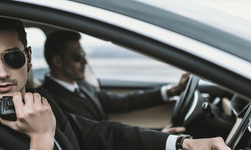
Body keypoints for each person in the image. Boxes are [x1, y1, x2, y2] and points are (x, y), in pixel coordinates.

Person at [0, 14, 247, 150]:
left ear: (29, 58)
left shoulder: (38, 99)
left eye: (12, 57)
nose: (2, 72)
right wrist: (41, 139)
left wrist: (182, 144)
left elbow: (100, 134)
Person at [42, 30, 188, 134]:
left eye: (84, 55)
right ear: (58, 61)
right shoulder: (50, 100)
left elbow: (123, 101)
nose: (85, 62)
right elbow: (98, 136)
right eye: (78, 57)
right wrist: (158, 138)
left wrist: (170, 91)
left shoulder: (81, 85)